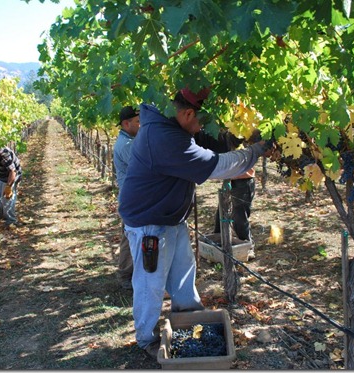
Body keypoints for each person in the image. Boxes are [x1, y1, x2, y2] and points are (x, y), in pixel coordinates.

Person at [118, 87, 271, 358]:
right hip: (149, 225)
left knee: (184, 274)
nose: (203, 128)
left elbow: (209, 141)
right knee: (150, 284)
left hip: (170, 219)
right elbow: (218, 167)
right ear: (188, 113)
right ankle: (146, 339)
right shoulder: (164, 138)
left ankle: (189, 320)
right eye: (202, 121)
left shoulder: (168, 122)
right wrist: (256, 151)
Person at [113, 106, 140, 290]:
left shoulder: (129, 140)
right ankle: (125, 274)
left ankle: (128, 271)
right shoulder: (126, 146)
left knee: (130, 234)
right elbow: (143, 164)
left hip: (131, 195)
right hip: (131, 197)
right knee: (129, 235)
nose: (141, 125)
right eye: (138, 122)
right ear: (126, 123)